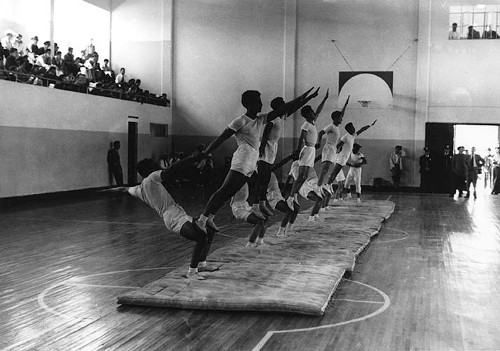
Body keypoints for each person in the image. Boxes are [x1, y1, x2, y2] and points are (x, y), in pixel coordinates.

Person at [196, 88, 316, 233]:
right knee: (224, 191)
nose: (260, 104)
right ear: (250, 104)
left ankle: (209, 218)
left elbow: (283, 109)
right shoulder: (240, 121)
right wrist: (205, 153)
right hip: (241, 162)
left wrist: (303, 97)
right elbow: (221, 138)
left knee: (230, 192)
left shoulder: (261, 119)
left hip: (251, 164)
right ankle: (202, 220)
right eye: (258, 101)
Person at [102, 157, 216, 280]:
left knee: (209, 230)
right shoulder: (151, 178)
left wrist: (105, 191)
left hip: (177, 214)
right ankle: (192, 271)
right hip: (173, 217)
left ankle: (202, 264)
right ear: (149, 170)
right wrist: (191, 158)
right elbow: (170, 170)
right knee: (201, 237)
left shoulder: (139, 190)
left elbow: (123, 189)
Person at [255, 87, 318, 216]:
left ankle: (261, 204)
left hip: (272, 148)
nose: (286, 105)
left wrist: (309, 97)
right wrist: (261, 149)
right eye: (283, 104)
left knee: (266, 178)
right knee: (263, 178)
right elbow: (265, 134)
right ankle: (259, 205)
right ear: (279, 107)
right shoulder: (272, 120)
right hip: (266, 147)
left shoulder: (282, 117)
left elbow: (295, 106)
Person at [286, 89, 330, 212]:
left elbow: (319, 110)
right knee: (301, 176)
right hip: (306, 150)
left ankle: (293, 195)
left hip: (311, 150)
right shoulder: (306, 125)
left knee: (304, 176)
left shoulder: (313, 122)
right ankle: (291, 197)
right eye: (311, 112)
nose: (314, 113)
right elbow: (302, 138)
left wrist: (325, 99)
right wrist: (298, 150)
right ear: (307, 115)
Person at [316, 96, 350, 196]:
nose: (341, 119)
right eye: (340, 118)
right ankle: (318, 187)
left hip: (334, 149)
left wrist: (345, 105)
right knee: (325, 169)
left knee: (332, 168)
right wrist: (318, 142)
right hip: (329, 148)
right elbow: (320, 133)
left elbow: (341, 114)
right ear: (335, 118)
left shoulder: (336, 127)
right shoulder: (331, 126)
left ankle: (327, 184)